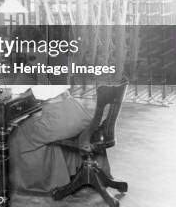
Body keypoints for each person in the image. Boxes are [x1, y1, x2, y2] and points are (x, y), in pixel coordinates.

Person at [8, 27, 110, 193]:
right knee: (40, 126)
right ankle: (68, 171)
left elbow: (15, 92)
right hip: (77, 112)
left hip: (58, 118)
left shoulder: (33, 61)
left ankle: (45, 180)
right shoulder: (58, 54)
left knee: (18, 134)